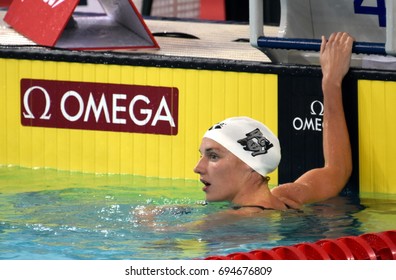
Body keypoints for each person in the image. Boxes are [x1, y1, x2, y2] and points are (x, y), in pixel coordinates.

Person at [193, 32, 354, 213]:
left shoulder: (230, 221)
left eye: (213, 156)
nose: (197, 168)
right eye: (202, 156)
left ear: (249, 164)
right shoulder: (288, 197)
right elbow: (337, 170)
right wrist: (331, 82)